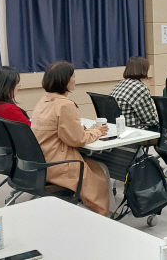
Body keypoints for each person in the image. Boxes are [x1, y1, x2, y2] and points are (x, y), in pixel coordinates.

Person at [31, 61, 110, 216]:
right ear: (64, 80)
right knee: (100, 173)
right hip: (59, 164)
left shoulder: (44, 101)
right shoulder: (65, 105)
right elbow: (77, 140)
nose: (74, 79)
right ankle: (102, 215)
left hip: (42, 160)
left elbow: (59, 131)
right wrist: (97, 131)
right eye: (72, 76)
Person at [110, 56, 159, 128]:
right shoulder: (140, 88)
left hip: (117, 127)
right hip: (133, 130)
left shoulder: (120, 83)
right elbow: (150, 120)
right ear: (144, 70)